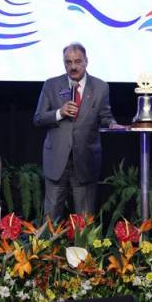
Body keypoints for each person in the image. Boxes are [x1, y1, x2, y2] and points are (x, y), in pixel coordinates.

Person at [33, 42, 122, 220]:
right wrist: (60, 112)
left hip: (85, 160)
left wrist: (112, 124)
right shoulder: (51, 85)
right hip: (57, 160)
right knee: (50, 219)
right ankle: (49, 240)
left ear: (86, 61)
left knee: (85, 220)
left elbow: (105, 116)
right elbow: (38, 118)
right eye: (68, 62)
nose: (73, 67)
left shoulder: (101, 87)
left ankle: (83, 241)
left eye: (77, 61)